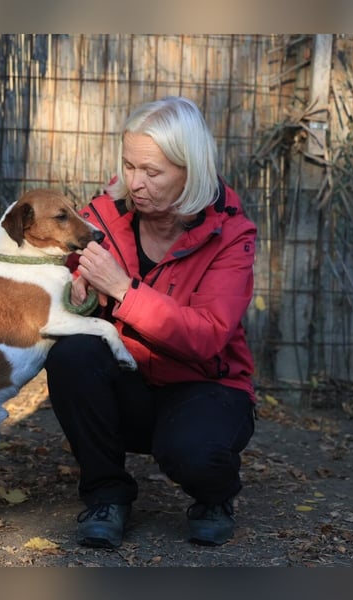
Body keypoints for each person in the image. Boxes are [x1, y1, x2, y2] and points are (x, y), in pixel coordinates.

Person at [45, 96, 257, 548]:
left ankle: (214, 495)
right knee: (72, 355)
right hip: (131, 380)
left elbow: (206, 336)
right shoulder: (103, 215)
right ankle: (106, 494)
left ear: (190, 170)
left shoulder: (231, 234)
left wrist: (122, 289)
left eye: (151, 172)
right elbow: (63, 273)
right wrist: (76, 284)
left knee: (192, 453)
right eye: (128, 165)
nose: (134, 183)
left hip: (206, 385)